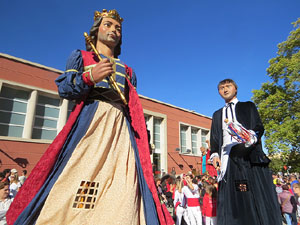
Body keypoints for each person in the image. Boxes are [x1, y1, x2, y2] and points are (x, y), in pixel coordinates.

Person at [6, 9, 173, 225]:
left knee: (125, 183)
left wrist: (144, 140)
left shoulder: (128, 71)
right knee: (79, 176)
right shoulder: (81, 57)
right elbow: (65, 89)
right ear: (96, 30)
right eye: (108, 25)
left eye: (118, 28)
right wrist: (90, 76)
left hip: (121, 130)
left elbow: (132, 108)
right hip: (91, 123)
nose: (114, 30)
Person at [210, 78, 282, 225]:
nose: (225, 89)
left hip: (248, 157)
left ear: (235, 89)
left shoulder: (248, 106)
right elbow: (215, 139)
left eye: (228, 86)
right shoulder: (217, 114)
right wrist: (215, 154)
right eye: (221, 87)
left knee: (252, 194)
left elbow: (258, 127)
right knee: (232, 198)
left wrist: (251, 136)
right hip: (228, 160)